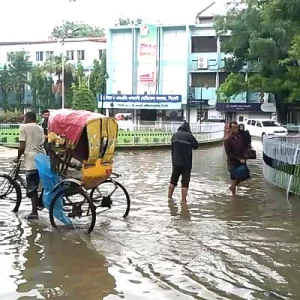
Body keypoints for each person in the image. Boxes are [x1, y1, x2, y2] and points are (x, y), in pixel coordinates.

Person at [14, 111, 46, 219]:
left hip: (31, 159)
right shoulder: (40, 128)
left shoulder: (24, 127)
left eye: (24, 118)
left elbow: (22, 146)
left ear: (26, 118)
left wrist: (17, 158)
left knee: (32, 186)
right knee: (41, 185)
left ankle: (34, 212)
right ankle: (40, 203)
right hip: (42, 158)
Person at [168, 121, 199, 202]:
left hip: (175, 162)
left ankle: (169, 197)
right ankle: (184, 201)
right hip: (186, 164)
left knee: (173, 181)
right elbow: (196, 146)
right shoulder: (189, 136)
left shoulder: (175, 135)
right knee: (185, 183)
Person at [224, 121, 250, 195]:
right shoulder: (227, 140)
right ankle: (234, 198)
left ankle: (231, 188)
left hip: (241, 161)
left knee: (245, 175)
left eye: (237, 128)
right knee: (235, 178)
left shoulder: (239, 137)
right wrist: (239, 159)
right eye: (234, 128)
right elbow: (229, 153)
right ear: (230, 128)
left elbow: (244, 148)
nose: (236, 129)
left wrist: (246, 155)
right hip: (232, 162)